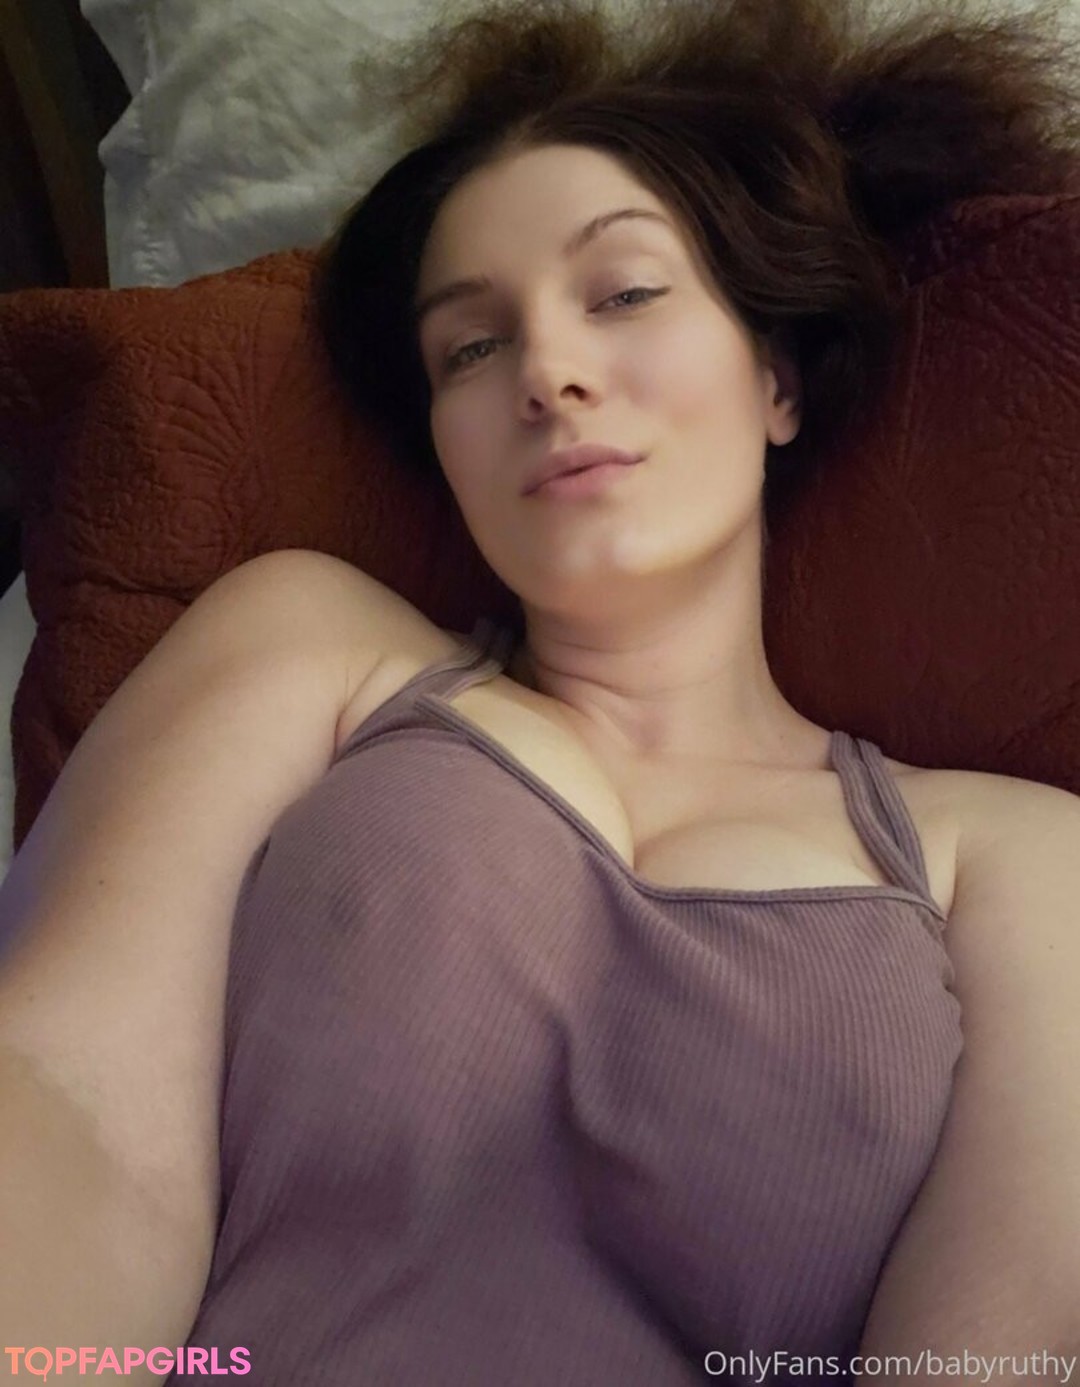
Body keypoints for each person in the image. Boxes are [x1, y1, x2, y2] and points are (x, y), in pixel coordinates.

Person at [1, 0, 1078, 1383]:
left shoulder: (1019, 859)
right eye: (471, 347)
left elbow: (990, 1355)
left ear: (775, 378)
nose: (549, 374)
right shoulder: (305, 645)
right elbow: (69, 1110)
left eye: (624, 294)